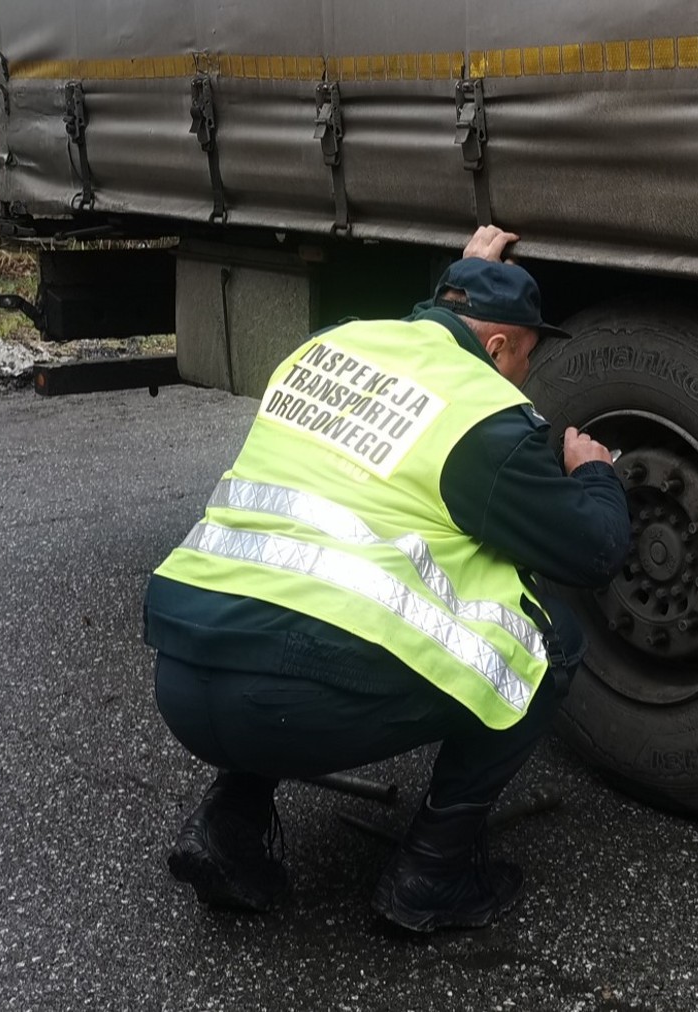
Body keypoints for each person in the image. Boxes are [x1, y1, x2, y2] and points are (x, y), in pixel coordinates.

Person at [144, 225, 630, 931]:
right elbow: (592, 550)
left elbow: (423, 335)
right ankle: (432, 875)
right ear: (497, 347)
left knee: (281, 615)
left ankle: (228, 824)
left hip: (183, 673)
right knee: (545, 643)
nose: (524, 375)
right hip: (295, 697)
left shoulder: (334, 345)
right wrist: (593, 473)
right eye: (524, 357)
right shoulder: (483, 412)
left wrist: (465, 274)